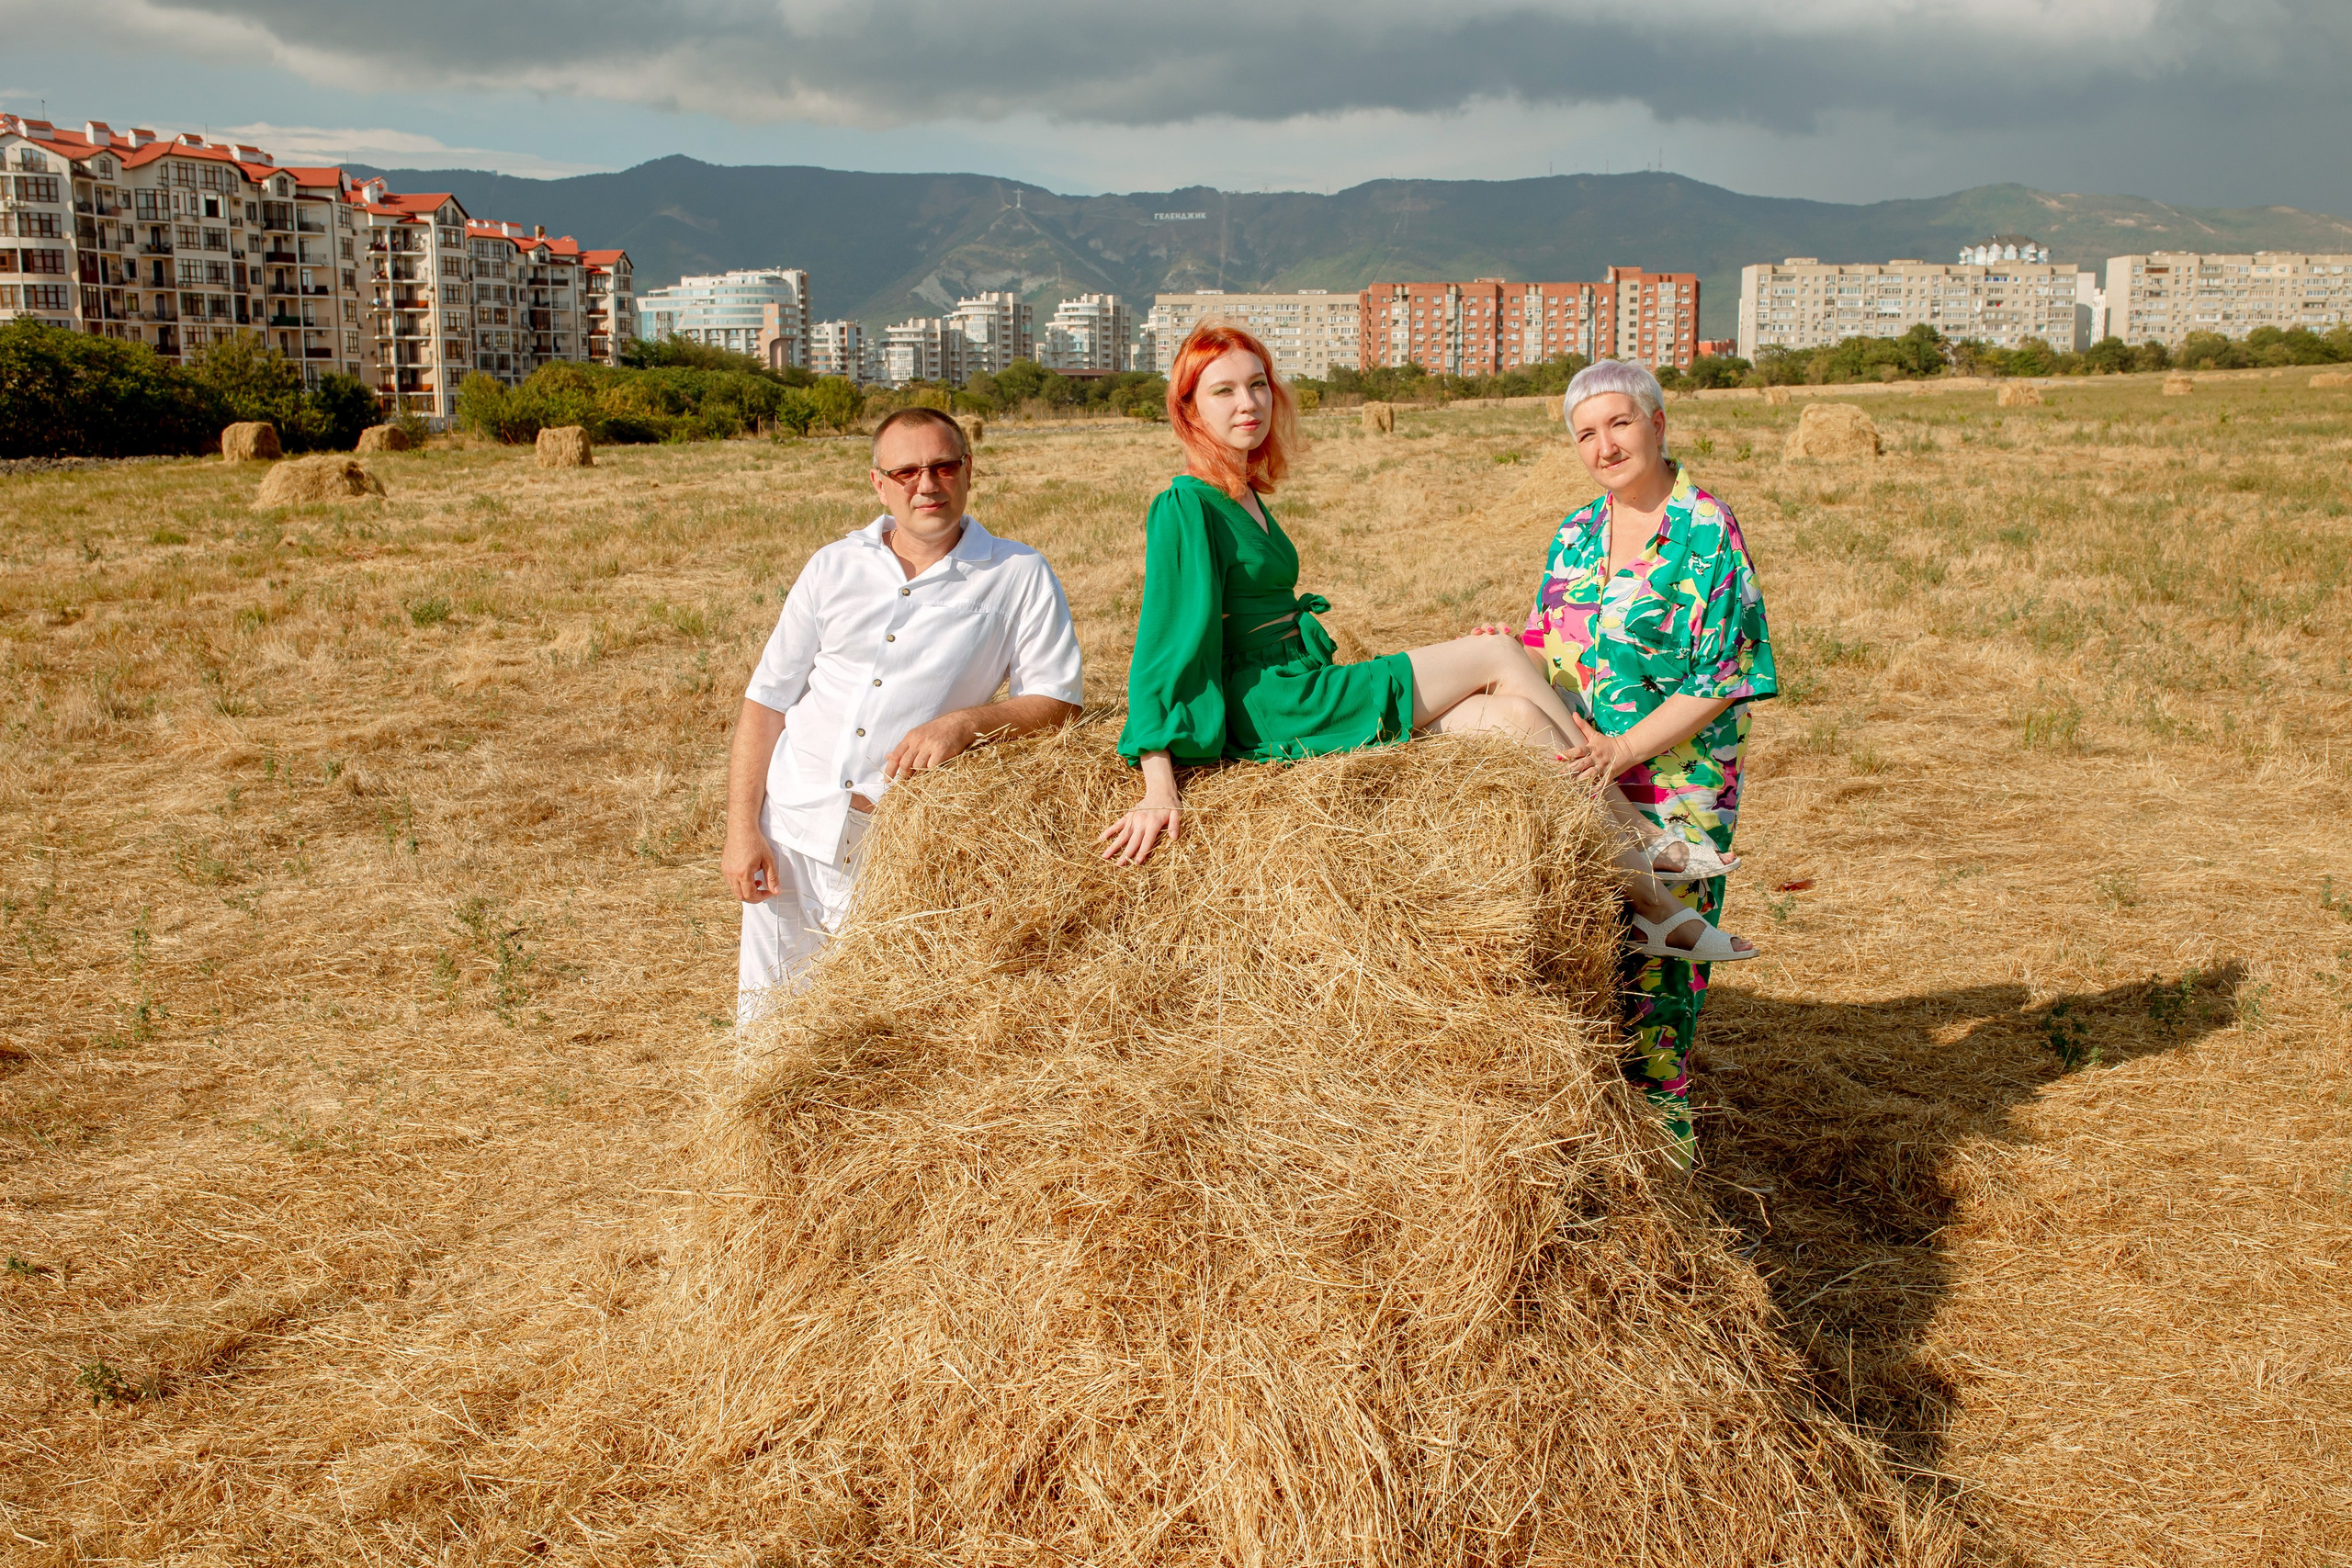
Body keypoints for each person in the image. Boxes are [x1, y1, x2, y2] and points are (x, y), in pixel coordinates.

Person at [1097, 322, 1752, 966]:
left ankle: (1645, 904)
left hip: (1295, 684)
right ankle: (1645, 863)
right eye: (1223, 392)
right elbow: (1163, 646)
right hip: (1273, 701)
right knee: (1501, 657)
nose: (1248, 403)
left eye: (1258, 384)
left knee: (1518, 717)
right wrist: (1160, 786)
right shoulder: (1185, 503)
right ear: (1187, 408)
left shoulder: (1242, 494)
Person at [724, 406, 1084, 1022]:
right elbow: (767, 701)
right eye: (908, 470)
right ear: (878, 482)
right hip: (790, 824)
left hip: (895, 844)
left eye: (944, 466)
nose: (928, 484)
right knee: (768, 1018)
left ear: (968, 471)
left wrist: (963, 724)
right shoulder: (832, 565)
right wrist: (742, 830)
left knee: (876, 1023)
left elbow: (1058, 701)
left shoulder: (1018, 573)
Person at [1504, 357, 1778, 1162]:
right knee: (1586, 982)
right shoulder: (1576, 533)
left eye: (1619, 422)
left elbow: (1724, 677)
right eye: (1586, 433)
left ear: (1658, 423)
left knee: (1659, 1003)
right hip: (1577, 788)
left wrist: (1622, 746)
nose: (1604, 444)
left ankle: (1668, 1192)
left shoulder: (1706, 530)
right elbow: (1542, 643)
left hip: (1673, 796)